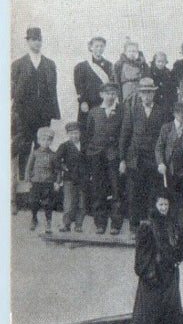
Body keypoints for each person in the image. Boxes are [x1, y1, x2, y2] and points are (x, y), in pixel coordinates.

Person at [126, 194, 183, 324]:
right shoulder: (147, 226)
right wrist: (149, 273)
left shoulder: (172, 224)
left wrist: (180, 251)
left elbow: (179, 248)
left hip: (169, 276)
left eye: (166, 205)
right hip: (153, 276)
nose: (164, 208)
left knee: (169, 311)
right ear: (155, 205)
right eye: (161, 204)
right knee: (149, 312)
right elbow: (141, 255)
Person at [121, 78, 168, 236]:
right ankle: (134, 227)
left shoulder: (161, 111)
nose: (147, 96)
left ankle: (151, 227)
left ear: (154, 94)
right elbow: (125, 135)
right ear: (139, 94)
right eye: (144, 93)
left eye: (150, 93)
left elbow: (164, 138)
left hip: (153, 158)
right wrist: (122, 159)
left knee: (152, 192)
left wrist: (162, 160)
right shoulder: (132, 109)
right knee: (134, 193)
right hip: (136, 158)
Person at [12, 27, 61, 176]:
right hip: (24, 113)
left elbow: (53, 89)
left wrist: (54, 112)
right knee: (25, 145)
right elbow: (12, 90)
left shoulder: (49, 64)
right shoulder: (18, 64)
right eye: (33, 39)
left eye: (39, 39)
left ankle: (41, 176)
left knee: (42, 144)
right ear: (28, 41)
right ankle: (24, 178)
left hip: (44, 113)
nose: (37, 42)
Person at [86, 82, 124, 235]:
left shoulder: (121, 112)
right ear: (101, 95)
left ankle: (116, 224)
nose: (111, 96)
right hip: (96, 156)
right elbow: (88, 134)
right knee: (98, 190)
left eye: (114, 93)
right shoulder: (94, 112)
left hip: (113, 156)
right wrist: (91, 152)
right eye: (108, 93)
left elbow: (123, 135)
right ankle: (100, 224)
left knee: (116, 190)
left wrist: (121, 158)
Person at [156, 102, 183, 229]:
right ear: (174, 114)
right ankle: (169, 225)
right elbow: (159, 148)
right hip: (169, 170)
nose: (182, 115)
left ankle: (182, 226)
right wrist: (160, 163)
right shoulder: (166, 128)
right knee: (170, 198)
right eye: (179, 112)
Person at [25, 126, 62, 233]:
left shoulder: (53, 155)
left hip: (48, 183)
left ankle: (48, 222)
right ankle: (34, 218)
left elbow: (58, 170)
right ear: (38, 140)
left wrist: (57, 182)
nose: (45, 142)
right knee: (33, 202)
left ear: (51, 141)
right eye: (43, 139)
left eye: (48, 140)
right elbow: (28, 168)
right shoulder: (35, 153)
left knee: (48, 203)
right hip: (36, 182)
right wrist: (28, 182)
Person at [73, 36, 113, 134]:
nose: (99, 49)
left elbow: (111, 85)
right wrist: (83, 102)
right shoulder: (81, 66)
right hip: (88, 103)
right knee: (87, 129)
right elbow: (79, 87)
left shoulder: (109, 65)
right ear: (90, 47)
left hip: (103, 102)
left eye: (101, 46)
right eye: (96, 46)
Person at [57, 122, 90, 233]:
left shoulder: (85, 146)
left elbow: (89, 161)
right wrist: (63, 167)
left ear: (80, 133)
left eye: (76, 133)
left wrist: (88, 174)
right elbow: (56, 160)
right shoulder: (64, 146)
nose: (74, 136)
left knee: (81, 203)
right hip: (69, 179)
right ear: (67, 134)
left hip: (82, 178)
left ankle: (79, 225)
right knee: (69, 202)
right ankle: (66, 224)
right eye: (71, 133)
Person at [113, 40, 149, 104]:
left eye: (134, 51)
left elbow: (146, 76)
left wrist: (143, 62)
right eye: (129, 51)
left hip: (138, 89)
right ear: (125, 52)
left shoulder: (140, 64)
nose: (131, 53)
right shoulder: (119, 64)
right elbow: (116, 80)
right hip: (126, 90)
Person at [148, 52, 176, 128]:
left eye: (162, 62)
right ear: (154, 61)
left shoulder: (168, 73)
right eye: (158, 61)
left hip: (166, 104)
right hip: (154, 102)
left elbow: (172, 90)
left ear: (165, 62)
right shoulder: (149, 72)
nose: (160, 64)